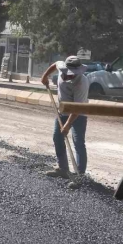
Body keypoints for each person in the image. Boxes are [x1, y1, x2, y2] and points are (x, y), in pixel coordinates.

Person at [41, 56, 90, 186]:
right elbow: (55, 64)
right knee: (57, 137)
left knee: (78, 142)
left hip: (78, 114)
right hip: (62, 111)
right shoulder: (61, 67)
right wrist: (44, 76)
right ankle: (63, 169)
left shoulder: (81, 83)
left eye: (72, 74)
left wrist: (67, 125)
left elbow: (77, 108)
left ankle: (80, 176)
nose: (69, 76)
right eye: (67, 73)